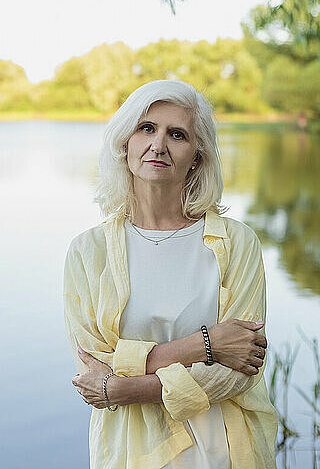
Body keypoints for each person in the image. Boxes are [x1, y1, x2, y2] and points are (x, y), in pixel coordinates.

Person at [63, 80, 278, 469]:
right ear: (124, 142)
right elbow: (94, 364)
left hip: (224, 448)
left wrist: (126, 389)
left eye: (177, 134)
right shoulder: (87, 252)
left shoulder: (237, 243)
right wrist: (204, 344)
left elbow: (241, 370)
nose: (158, 145)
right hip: (129, 450)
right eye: (147, 128)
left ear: (197, 155)